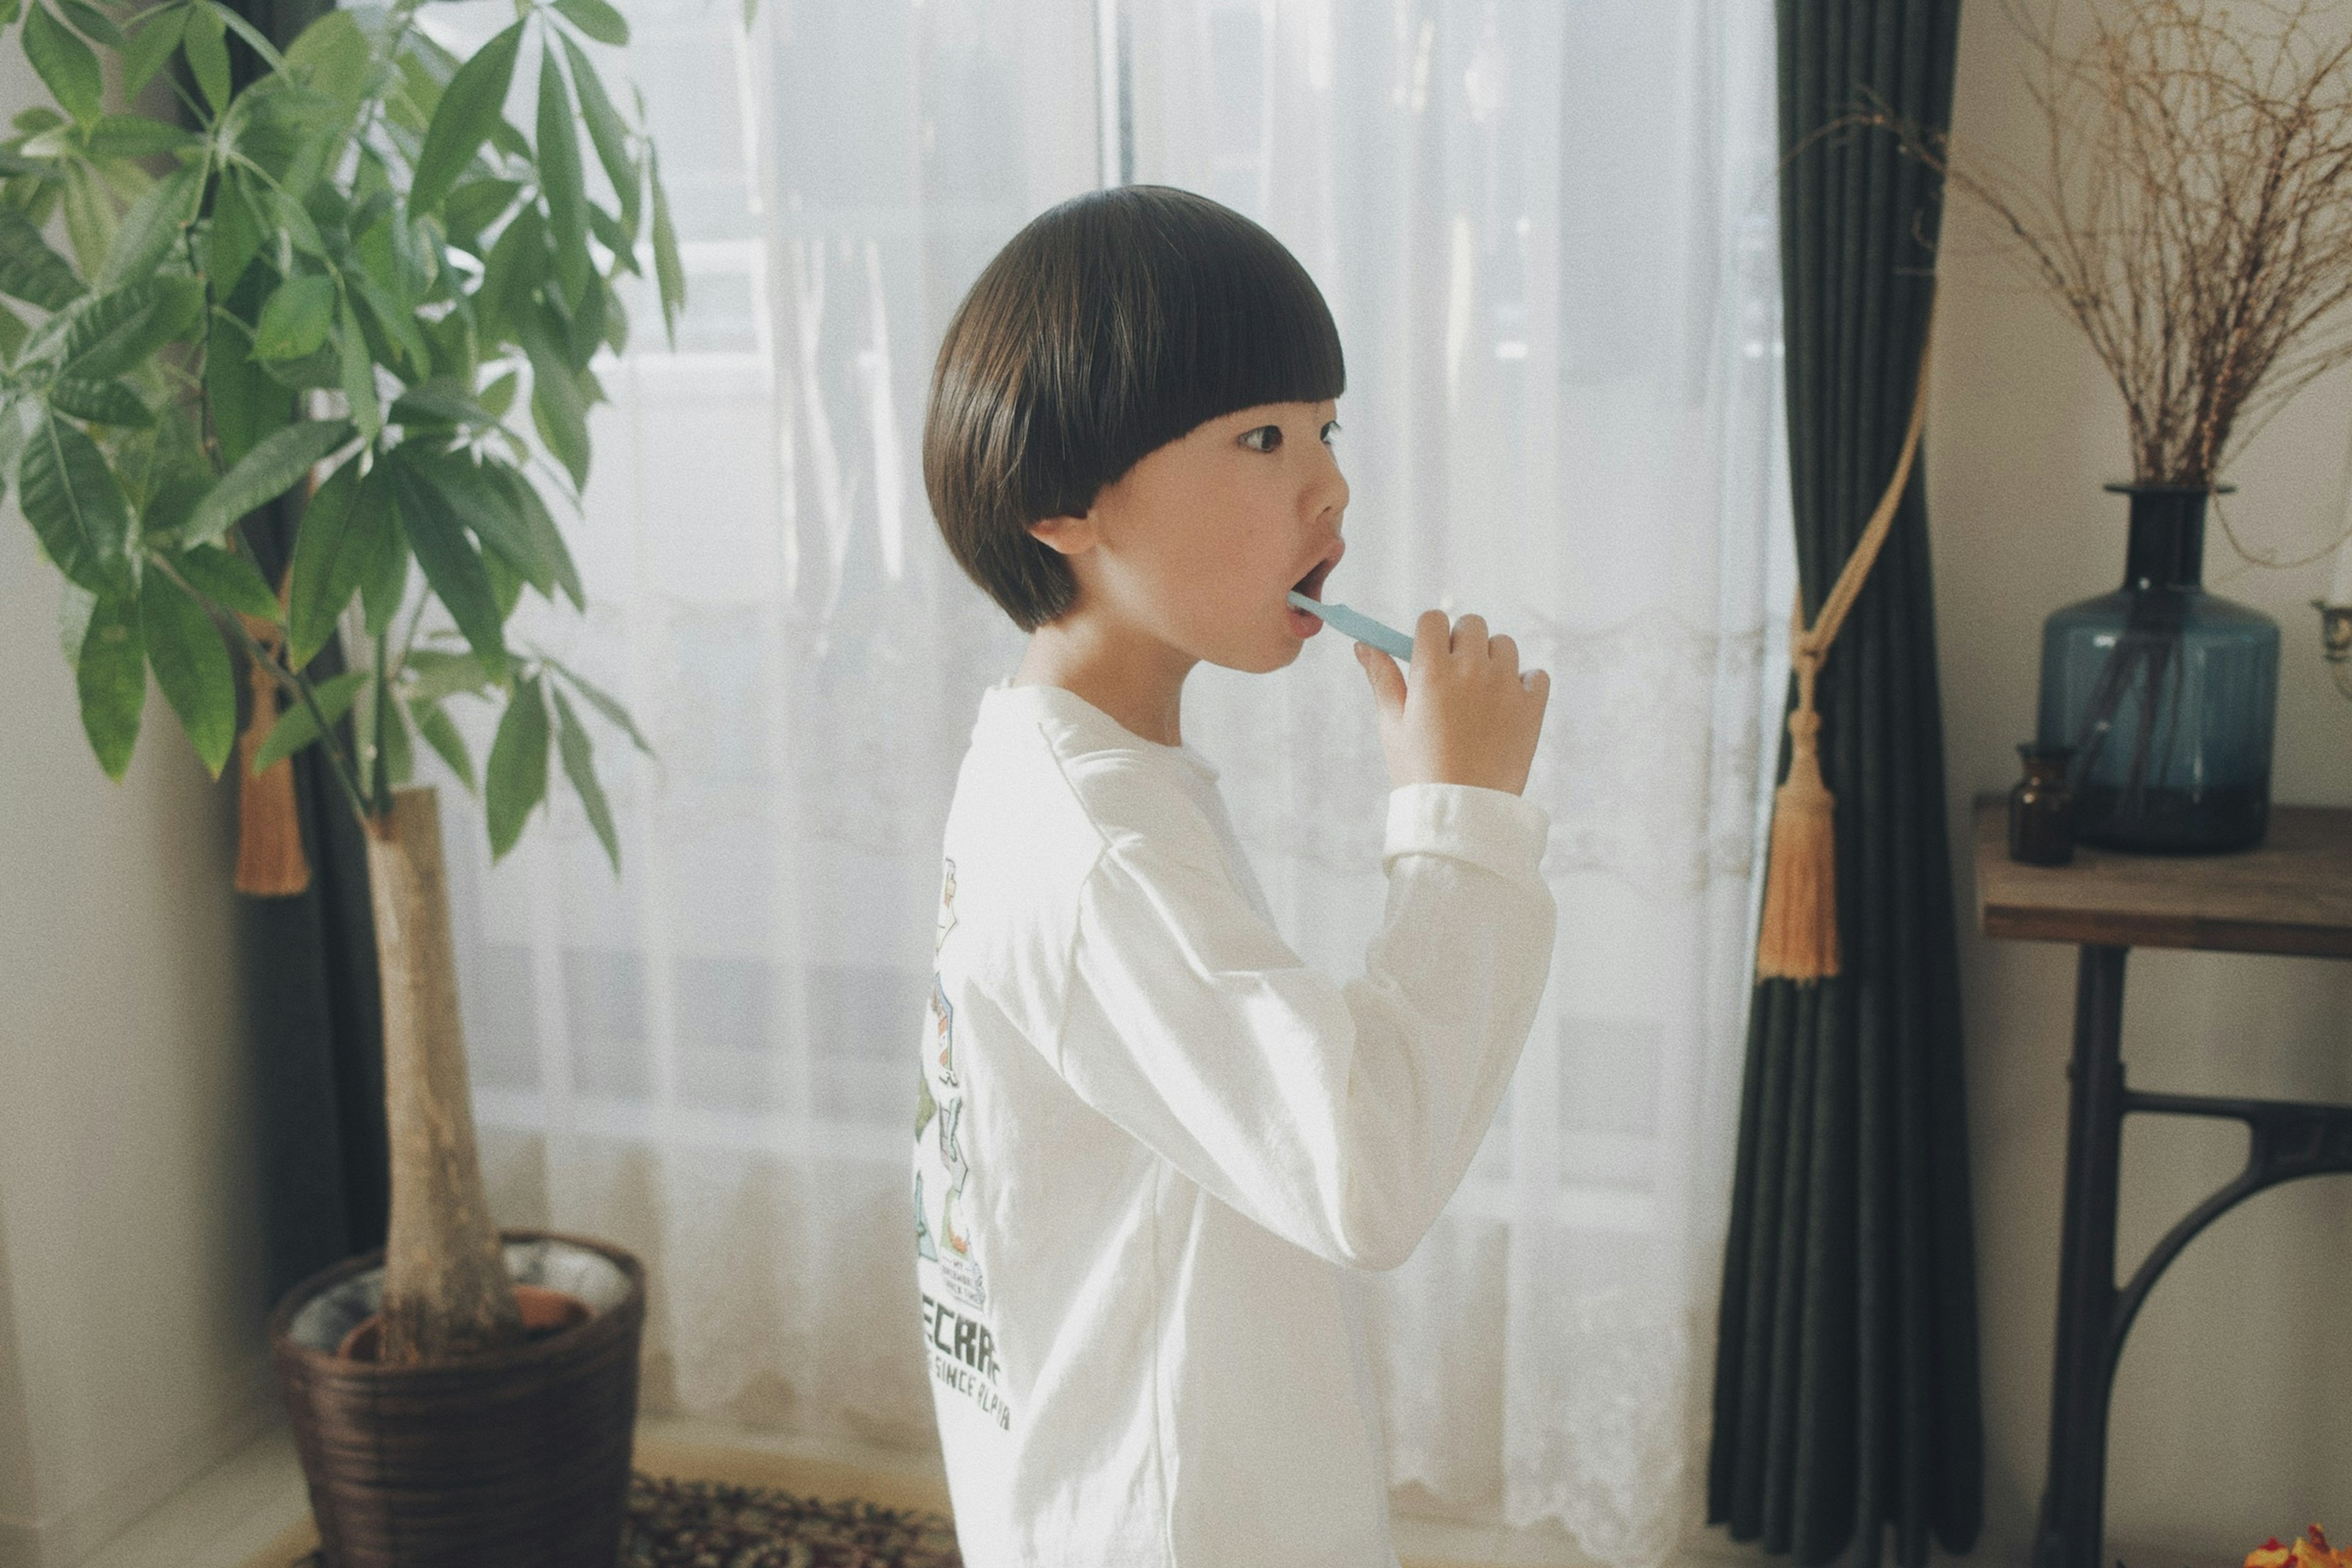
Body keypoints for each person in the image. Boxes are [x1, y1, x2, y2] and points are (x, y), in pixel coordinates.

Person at [910, 184, 1556, 1567]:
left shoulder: (1071, 773)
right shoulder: (1100, 846)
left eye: (1327, 428)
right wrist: (1460, 825)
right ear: (1059, 499)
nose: (1329, 484)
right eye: (1262, 436)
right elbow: (1361, 1173)